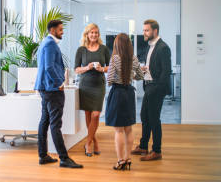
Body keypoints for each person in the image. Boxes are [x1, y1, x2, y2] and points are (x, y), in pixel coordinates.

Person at [34, 20, 83, 169]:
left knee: (45, 121)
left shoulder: (45, 43)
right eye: (60, 29)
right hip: (52, 89)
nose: (62, 32)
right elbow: (49, 67)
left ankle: (43, 156)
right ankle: (64, 158)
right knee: (55, 124)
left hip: (45, 88)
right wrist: (59, 83)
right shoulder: (50, 44)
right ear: (53, 30)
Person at [131, 19, 172, 161]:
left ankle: (157, 151)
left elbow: (166, 72)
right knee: (145, 117)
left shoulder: (163, 47)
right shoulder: (150, 46)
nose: (144, 33)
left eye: (147, 30)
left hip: (156, 88)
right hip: (148, 86)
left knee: (154, 119)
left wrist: (156, 87)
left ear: (155, 31)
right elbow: (153, 67)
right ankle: (143, 146)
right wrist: (144, 69)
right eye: (143, 30)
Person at [105, 33, 144, 170]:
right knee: (128, 128)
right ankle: (128, 159)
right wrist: (130, 75)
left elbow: (109, 80)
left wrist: (117, 77)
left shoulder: (114, 58)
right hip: (129, 94)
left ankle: (120, 160)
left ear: (117, 44)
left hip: (118, 93)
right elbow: (140, 76)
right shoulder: (133, 58)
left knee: (119, 130)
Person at [74, 23, 110, 157]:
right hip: (85, 86)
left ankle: (88, 143)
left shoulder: (104, 49)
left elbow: (110, 67)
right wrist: (87, 68)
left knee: (96, 115)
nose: (94, 35)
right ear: (87, 34)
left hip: (99, 85)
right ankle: (94, 140)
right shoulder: (81, 50)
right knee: (88, 115)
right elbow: (76, 69)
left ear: (98, 34)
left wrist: (102, 69)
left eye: (96, 32)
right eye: (91, 32)